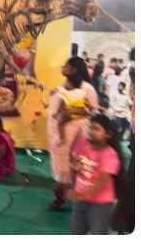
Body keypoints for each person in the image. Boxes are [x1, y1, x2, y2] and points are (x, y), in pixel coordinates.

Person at [47, 56, 100, 209]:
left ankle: (63, 197)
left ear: (74, 69)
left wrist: (70, 113)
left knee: (75, 163)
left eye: (66, 65)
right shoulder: (64, 85)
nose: (62, 66)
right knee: (61, 163)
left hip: (75, 132)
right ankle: (63, 194)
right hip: (59, 133)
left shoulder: (87, 88)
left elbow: (92, 110)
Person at [70, 113, 122, 234]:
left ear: (108, 134)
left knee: (98, 231)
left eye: (96, 129)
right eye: (90, 127)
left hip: (100, 203)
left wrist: (80, 194)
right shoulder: (82, 143)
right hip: (81, 198)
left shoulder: (110, 155)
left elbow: (101, 182)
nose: (91, 131)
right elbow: (75, 161)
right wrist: (75, 167)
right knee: (76, 230)